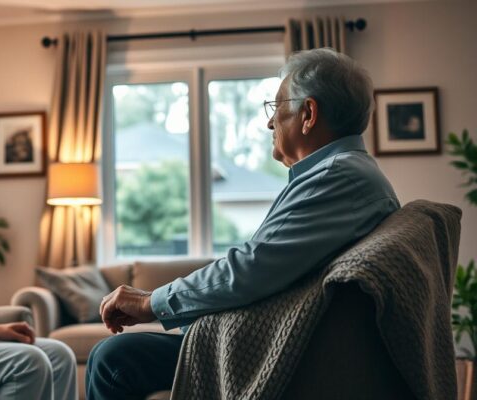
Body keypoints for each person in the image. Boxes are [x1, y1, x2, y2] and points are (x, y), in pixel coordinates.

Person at [85, 48, 400, 399]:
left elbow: (251, 268)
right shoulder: (347, 173)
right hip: (289, 338)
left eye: (277, 107)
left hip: (286, 351)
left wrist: (150, 304)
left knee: (112, 359)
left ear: (308, 114)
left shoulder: (338, 176)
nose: (269, 122)